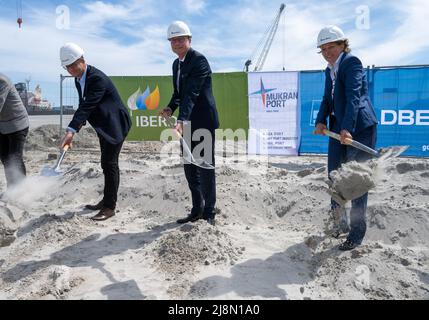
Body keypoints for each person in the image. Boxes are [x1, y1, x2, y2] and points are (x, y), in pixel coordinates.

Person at [313, 26, 378, 251]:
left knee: (357, 182)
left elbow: (353, 97)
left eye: (331, 47)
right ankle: (339, 224)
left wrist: (347, 128)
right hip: (337, 129)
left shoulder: (352, 63)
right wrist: (321, 120)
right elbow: (326, 99)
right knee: (334, 178)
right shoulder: (328, 70)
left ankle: (357, 234)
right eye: (323, 49)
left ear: (343, 45)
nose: (327, 52)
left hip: (359, 128)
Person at [59, 43, 131, 221]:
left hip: (115, 124)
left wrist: (71, 131)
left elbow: (88, 105)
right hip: (103, 124)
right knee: (105, 163)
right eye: (67, 67)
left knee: (110, 163)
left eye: (73, 65)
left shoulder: (96, 78)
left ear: (82, 60)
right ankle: (106, 200)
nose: (71, 70)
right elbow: (85, 105)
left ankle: (109, 207)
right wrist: (77, 125)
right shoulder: (79, 79)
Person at [159, 21, 219, 226]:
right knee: (190, 168)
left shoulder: (199, 60)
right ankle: (197, 209)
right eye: (172, 40)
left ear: (189, 40)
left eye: (180, 39)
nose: (176, 43)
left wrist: (182, 119)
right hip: (186, 122)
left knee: (204, 166)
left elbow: (192, 93)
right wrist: (170, 108)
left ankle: (209, 213)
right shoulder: (177, 64)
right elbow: (179, 94)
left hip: (202, 121)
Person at [0, 73, 29, 189]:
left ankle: (21, 191)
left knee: (14, 157)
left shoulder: (2, 81)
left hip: (18, 124)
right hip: (2, 125)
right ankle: (12, 188)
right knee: (4, 157)